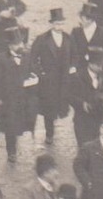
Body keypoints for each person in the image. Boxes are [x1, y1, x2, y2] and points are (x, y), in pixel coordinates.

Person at [29, 8, 77, 145]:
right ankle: (49, 134)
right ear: (51, 24)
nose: (59, 27)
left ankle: (58, 120)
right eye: (56, 24)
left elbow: (75, 55)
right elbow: (32, 58)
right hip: (48, 80)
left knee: (61, 105)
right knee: (48, 107)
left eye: (61, 24)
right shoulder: (42, 39)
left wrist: (72, 67)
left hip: (63, 79)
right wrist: (40, 73)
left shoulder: (68, 38)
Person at [0, 31, 39, 162]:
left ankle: (24, 136)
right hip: (8, 98)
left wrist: (34, 78)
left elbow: (32, 70)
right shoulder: (1, 59)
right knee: (9, 126)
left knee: (22, 121)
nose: (20, 46)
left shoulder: (27, 56)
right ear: (10, 46)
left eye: (21, 42)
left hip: (23, 97)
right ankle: (11, 151)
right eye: (17, 43)